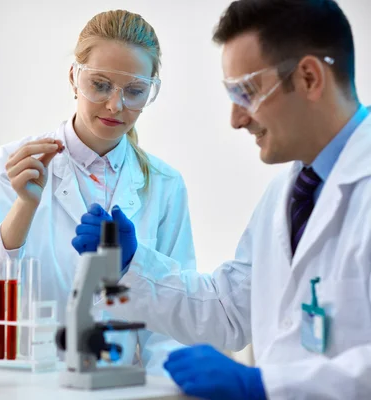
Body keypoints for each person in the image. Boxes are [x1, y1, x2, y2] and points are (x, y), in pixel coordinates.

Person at [105, 0, 371, 398]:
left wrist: (265, 386)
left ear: (310, 78)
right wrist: (133, 265)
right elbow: (229, 307)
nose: (237, 118)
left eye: (246, 92)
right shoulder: (285, 195)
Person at [0, 10, 197, 374]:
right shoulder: (11, 164)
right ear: (74, 77)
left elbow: (173, 317)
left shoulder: (165, 185)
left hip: (119, 385)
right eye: (100, 85)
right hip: (26, 381)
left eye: (134, 91)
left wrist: (164, 389)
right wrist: (25, 205)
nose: (116, 106)